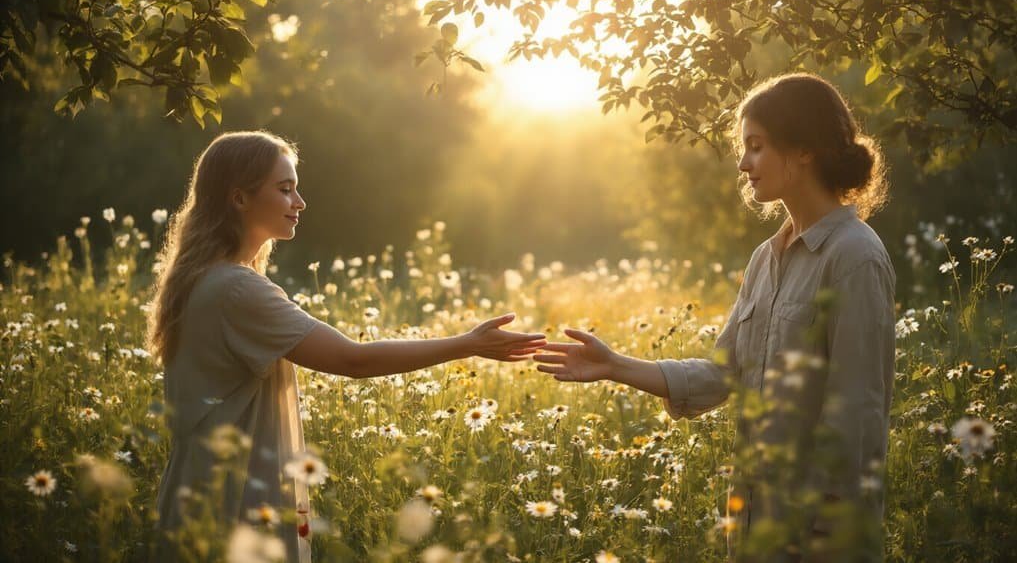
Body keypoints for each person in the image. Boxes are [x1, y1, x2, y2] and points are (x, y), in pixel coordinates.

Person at [534, 73, 895, 561]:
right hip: (754, 524)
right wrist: (615, 366)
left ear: (804, 149)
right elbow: (725, 373)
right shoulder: (766, 258)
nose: (744, 164)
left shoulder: (854, 256)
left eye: (757, 146)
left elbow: (858, 408)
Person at [146, 131, 545, 562]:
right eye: (285, 190)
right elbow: (353, 359)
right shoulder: (237, 289)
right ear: (239, 198)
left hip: (201, 494)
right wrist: (467, 344)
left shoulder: (206, 278)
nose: (300, 202)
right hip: (236, 506)